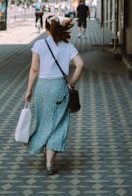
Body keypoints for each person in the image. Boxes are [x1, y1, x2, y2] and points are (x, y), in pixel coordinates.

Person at [25, 15, 84, 175]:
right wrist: (72, 83)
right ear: (58, 26)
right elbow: (80, 65)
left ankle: (40, 145)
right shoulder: (67, 45)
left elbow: (34, 70)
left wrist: (29, 90)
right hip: (59, 87)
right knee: (59, 122)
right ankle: (50, 162)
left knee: (44, 121)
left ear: (46, 27)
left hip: (43, 88)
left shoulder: (39, 44)